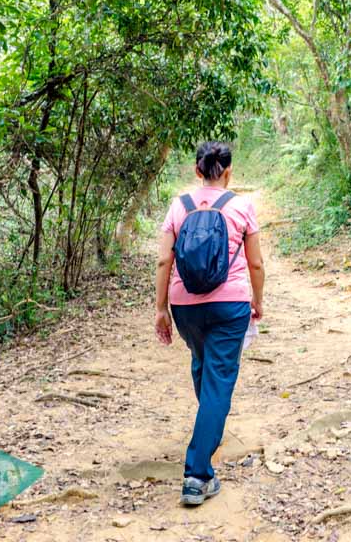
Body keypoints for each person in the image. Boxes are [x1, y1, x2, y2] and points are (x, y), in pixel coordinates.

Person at [153, 141, 265, 506]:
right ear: (229, 171)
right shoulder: (242, 206)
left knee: (203, 363)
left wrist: (160, 310)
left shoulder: (178, 206)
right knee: (217, 379)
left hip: (184, 306)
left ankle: (208, 427)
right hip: (229, 303)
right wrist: (257, 300)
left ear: (196, 170)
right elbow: (256, 264)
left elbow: (163, 263)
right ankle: (197, 474)